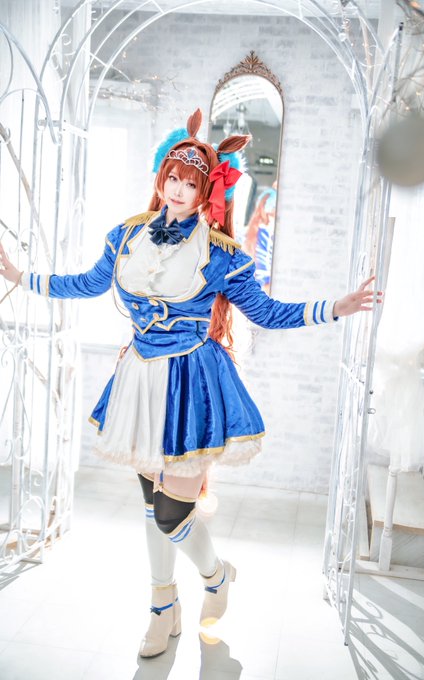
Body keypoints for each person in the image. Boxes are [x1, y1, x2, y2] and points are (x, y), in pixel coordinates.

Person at [0, 108, 380, 658]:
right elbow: (85, 283)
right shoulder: (126, 235)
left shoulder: (221, 254)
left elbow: (267, 313)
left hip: (193, 385)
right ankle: (163, 609)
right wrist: (22, 277)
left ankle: (216, 576)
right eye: (172, 178)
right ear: (161, 179)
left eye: (190, 183)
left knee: (172, 512)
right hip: (140, 380)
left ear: (205, 193)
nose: (178, 189)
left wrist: (334, 308)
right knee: (150, 504)